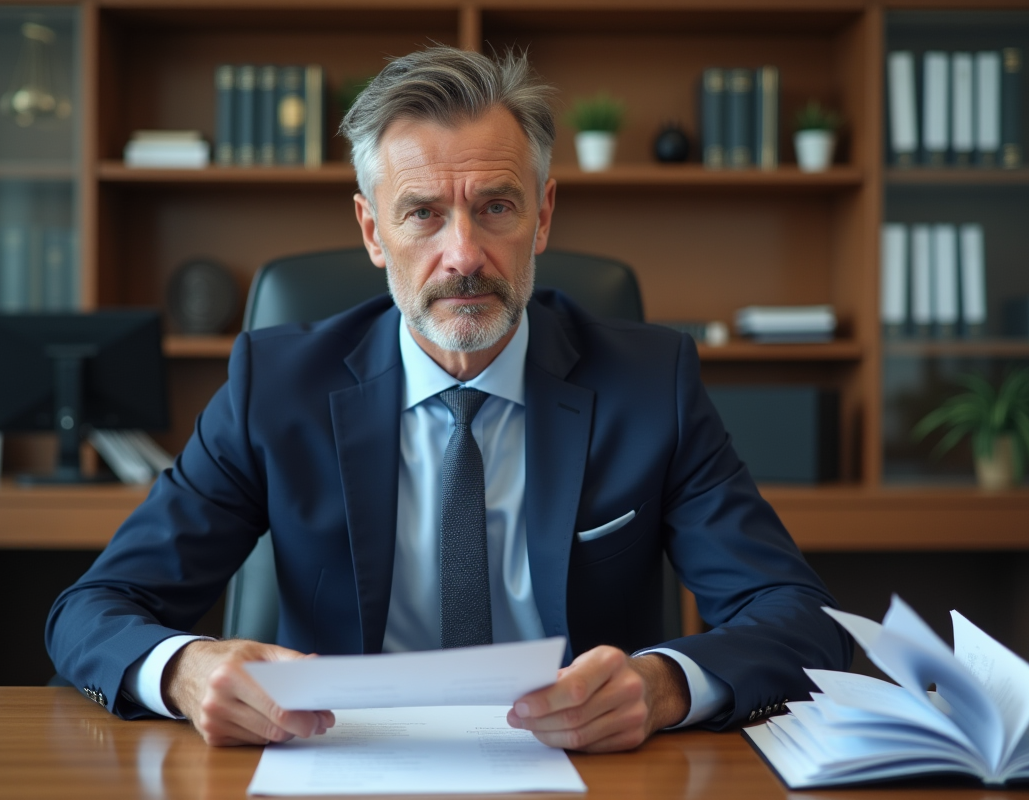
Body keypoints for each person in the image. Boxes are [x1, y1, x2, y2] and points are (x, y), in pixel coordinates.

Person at [47, 46, 851, 753]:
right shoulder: (275, 385)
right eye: (423, 214)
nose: (463, 254)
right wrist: (185, 669)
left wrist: (668, 686)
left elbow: (798, 618)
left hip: (579, 771)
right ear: (371, 231)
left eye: (496, 207)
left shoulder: (651, 384)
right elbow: (95, 610)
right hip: (335, 764)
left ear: (543, 216)